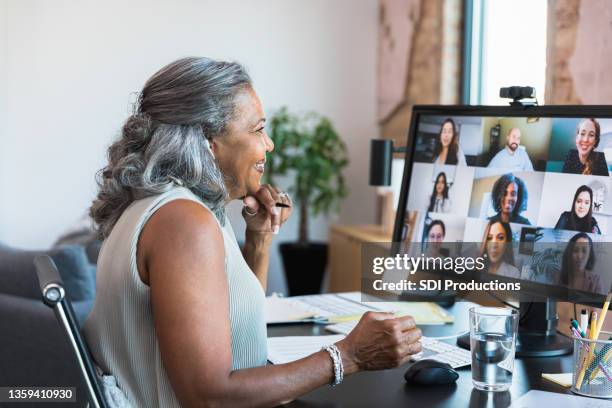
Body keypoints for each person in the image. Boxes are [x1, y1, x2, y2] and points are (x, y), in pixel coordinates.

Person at [83, 57, 422, 407]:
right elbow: (210, 398)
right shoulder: (183, 223)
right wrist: (349, 356)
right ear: (207, 141)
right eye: (258, 129)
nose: (269, 145)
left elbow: (235, 328)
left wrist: (258, 241)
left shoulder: (165, 206)